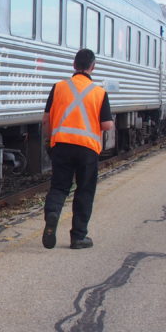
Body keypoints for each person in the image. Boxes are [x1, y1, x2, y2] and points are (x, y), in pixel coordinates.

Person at [41, 48, 114, 250]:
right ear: (93, 67)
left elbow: (46, 120)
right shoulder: (99, 92)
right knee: (85, 190)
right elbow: (107, 125)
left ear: (74, 65)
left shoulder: (58, 88)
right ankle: (78, 237)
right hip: (88, 150)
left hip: (62, 145)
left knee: (59, 187)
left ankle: (53, 213)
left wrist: (50, 139)